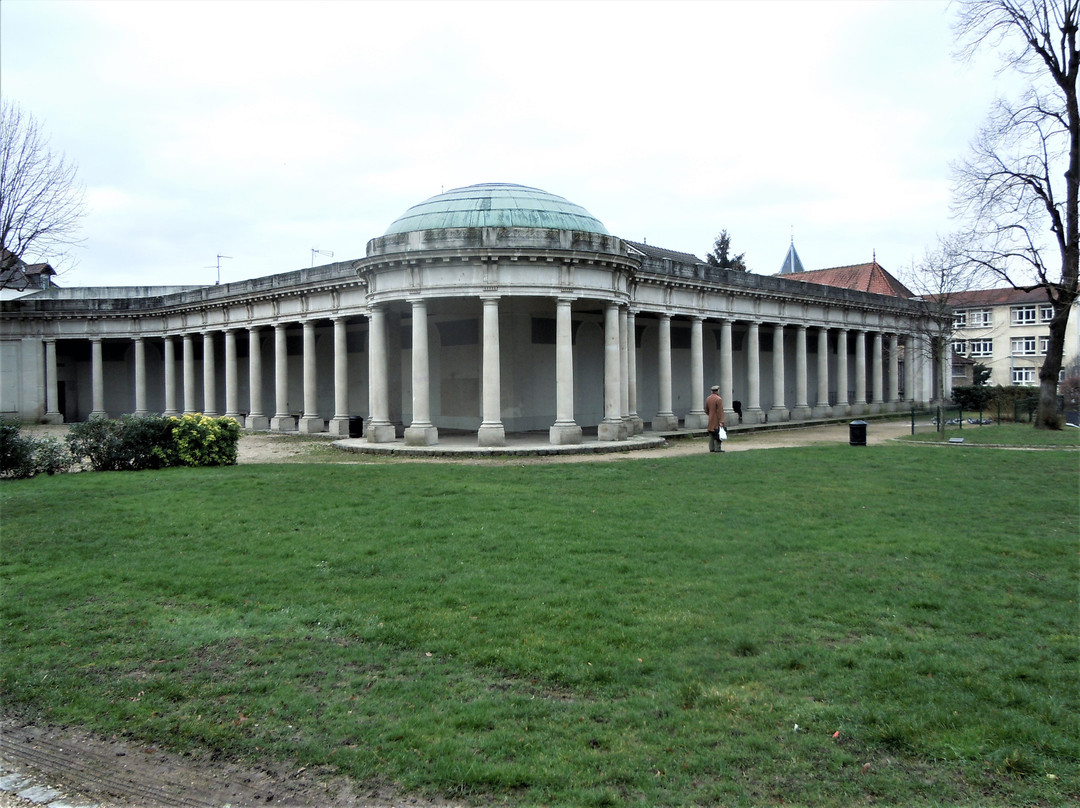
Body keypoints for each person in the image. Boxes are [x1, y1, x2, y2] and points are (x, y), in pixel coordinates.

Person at [705, 384, 726, 453]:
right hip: (717, 419)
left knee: (711, 434)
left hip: (710, 419)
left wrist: (710, 414)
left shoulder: (708, 398)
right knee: (718, 433)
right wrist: (721, 421)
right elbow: (720, 411)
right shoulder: (718, 399)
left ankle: (711, 448)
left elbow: (706, 410)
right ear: (717, 391)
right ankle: (717, 448)